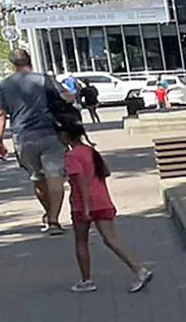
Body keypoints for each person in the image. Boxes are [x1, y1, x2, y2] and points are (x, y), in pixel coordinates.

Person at [60, 121, 151, 294]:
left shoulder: (72, 156)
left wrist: (86, 208)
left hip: (82, 205)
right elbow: (106, 171)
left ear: (65, 136)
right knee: (111, 239)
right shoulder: (91, 151)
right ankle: (139, 269)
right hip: (102, 200)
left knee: (81, 241)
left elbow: (81, 184)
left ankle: (86, 280)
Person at [0, 50, 72, 235]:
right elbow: (67, 97)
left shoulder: (3, 86)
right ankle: (53, 220)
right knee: (55, 178)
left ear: (12, 64)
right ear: (30, 60)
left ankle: (49, 213)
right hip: (51, 134)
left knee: (37, 178)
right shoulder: (45, 79)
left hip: (24, 137)